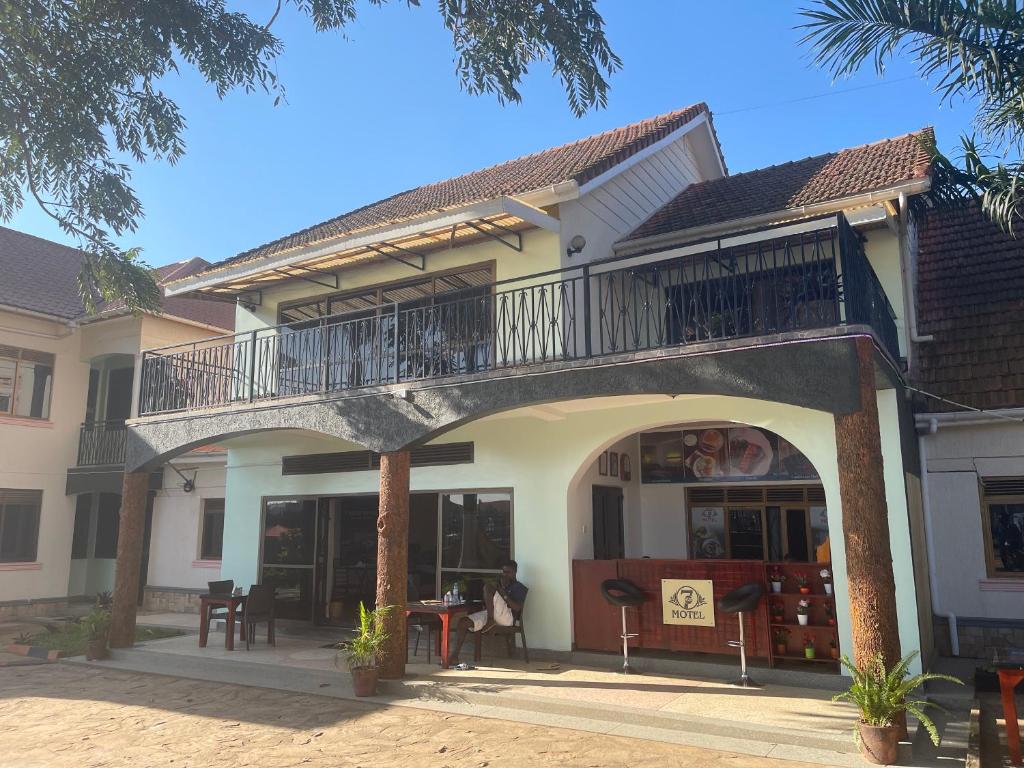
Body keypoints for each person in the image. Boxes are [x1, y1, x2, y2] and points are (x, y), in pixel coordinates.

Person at [448, 560, 527, 666]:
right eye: (503, 572)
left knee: (488, 587)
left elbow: (517, 608)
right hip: (492, 613)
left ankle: (490, 620)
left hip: (507, 618)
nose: (505, 575)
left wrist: (503, 593)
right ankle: (454, 656)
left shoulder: (519, 587)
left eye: (508, 572)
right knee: (463, 622)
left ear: (515, 572)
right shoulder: (501, 584)